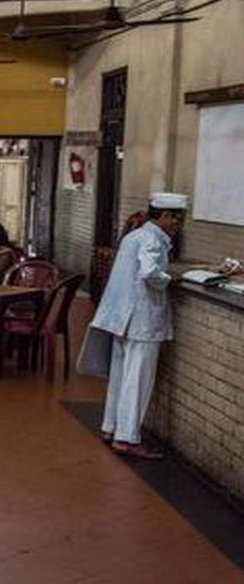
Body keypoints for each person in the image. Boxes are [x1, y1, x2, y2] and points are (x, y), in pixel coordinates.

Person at [79, 192, 188, 460]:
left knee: (120, 376)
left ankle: (111, 427)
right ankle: (127, 438)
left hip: (121, 319)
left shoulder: (134, 236)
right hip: (141, 320)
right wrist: (170, 280)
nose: (179, 225)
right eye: (177, 219)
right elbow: (150, 273)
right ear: (163, 215)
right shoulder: (152, 240)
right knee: (137, 380)